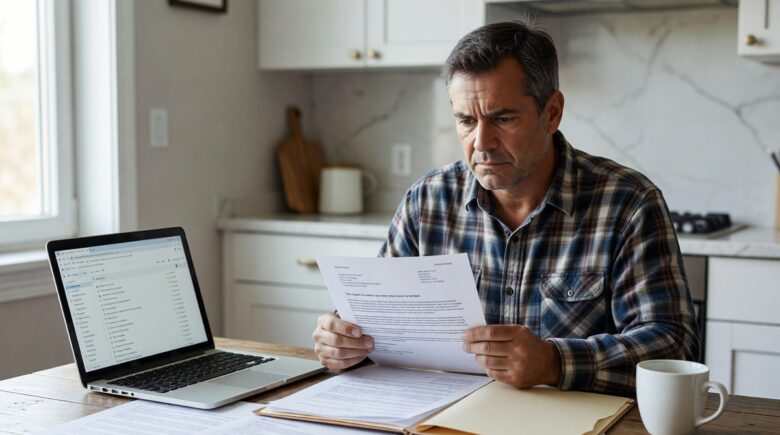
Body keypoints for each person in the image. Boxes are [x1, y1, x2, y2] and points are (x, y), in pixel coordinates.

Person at [311, 21, 699, 396]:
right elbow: (377, 322)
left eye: (503, 118)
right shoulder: (425, 202)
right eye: (465, 120)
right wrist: (343, 341)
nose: (482, 142)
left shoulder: (628, 203)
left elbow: (672, 345)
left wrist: (554, 362)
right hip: (441, 418)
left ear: (552, 113)